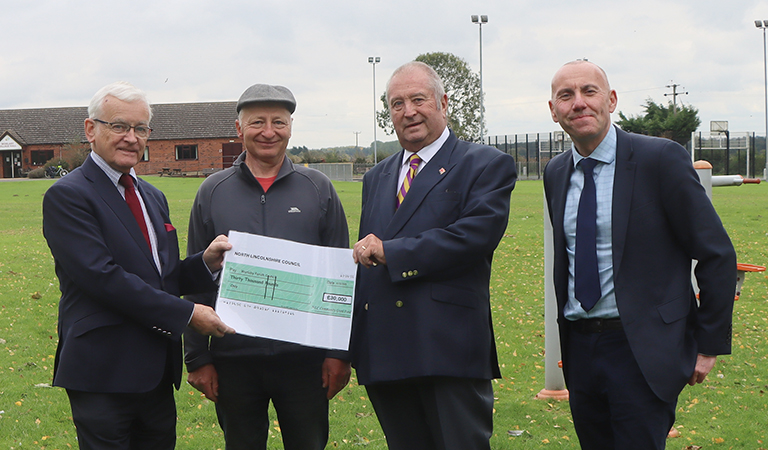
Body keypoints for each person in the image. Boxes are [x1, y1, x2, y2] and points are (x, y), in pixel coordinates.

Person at [543, 60, 736, 449]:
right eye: (566, 95)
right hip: (580, 350)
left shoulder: (659, 159)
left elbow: (716, 253)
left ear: (611, 100)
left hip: (642, 351)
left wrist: (708, 345)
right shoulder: (556, 172)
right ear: (553, 110)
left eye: (589, 91)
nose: (578, 103)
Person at [42, 81, 235, 450]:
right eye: (119, 126)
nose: (131, 138)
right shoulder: (68, 196)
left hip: (156, 371)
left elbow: (160, 276)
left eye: (140, 128)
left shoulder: (152, 195)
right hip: (103, 371)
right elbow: (103, 278)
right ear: (90, 130)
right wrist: (187, 313)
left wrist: (205, 263)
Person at [350, 61, 517, 450]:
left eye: (418, 99)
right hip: (385, 350)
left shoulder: (485, 164)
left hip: (447, 347)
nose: (408, 111)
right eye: (396, 104)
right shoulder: (377, 176)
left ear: (443, 102)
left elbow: (472, 238)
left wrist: (390, 251)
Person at [183, 84, 351, 450]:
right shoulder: (213, 190)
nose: (269, 131)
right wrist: (197, 356)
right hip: (233, 360)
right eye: (257, 122)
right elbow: (196, 276)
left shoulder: (318, 188)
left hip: (304, 362)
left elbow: (340, 279)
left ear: (291, 127)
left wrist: (339, 353)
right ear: (239, 129)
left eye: (279, 121)